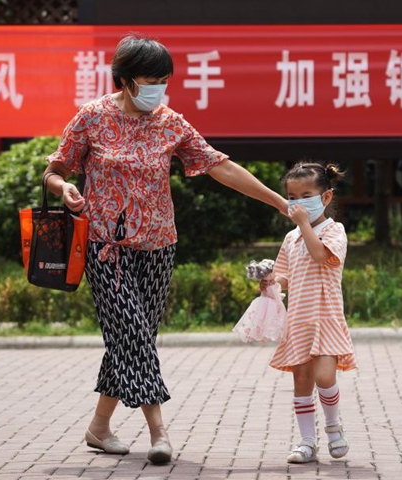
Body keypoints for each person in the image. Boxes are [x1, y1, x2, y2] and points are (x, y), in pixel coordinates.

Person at [42, 34, 288, 465]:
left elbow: (220, 166)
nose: (158, 86)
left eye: (164, 79)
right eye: (150, 78)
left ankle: (99, 428)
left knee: (131, 339)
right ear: (125, 80)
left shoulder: (170, 121)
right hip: (106, 247)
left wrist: (279, 202)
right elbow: (55, 170)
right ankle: (160, 432)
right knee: (134, 334)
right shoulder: (92, 117)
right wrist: (64, 188)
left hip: (159, 247)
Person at [260, 162, 357, 464]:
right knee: (301, 381)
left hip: (326, 319)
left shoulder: (335, 231)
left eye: (306, 195)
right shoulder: (290, 239)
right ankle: (306, 442)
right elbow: (283, 277)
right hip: (298, 321)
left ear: (326, 197)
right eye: (292, 196)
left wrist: (303, 224)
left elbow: (321, 255)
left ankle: (333, 426)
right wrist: (268, 280)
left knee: (325, 376)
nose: (297, 203)